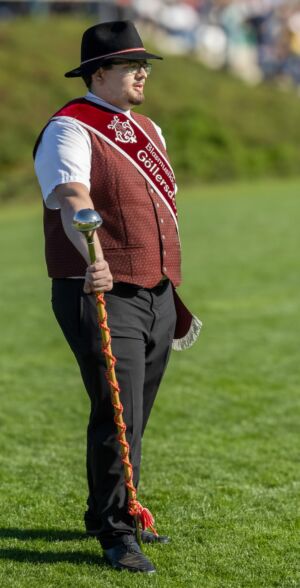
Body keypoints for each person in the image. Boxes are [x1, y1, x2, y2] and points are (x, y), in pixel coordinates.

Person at [34, 20, 191, 574]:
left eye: (144, 65)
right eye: (131, 66)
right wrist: (92, 258)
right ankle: (116, 532)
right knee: (117, 413)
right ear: (100, 73)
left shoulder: (148, 128)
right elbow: (71, 193)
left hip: (155, 289)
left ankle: (112, 508)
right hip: (99, 289)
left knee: (135, 412)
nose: (143, 73)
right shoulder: (68, 128)